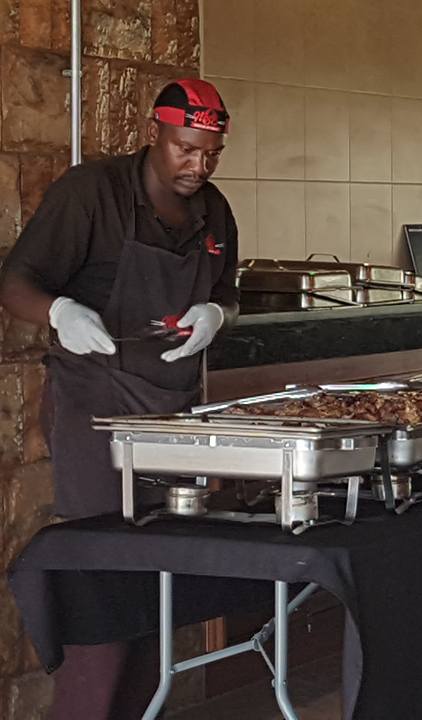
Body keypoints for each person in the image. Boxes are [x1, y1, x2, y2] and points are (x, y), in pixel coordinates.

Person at [0, 78, 239, 719]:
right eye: (186, 149)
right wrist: (60, 311)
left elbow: (228, 288)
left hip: (171, 409)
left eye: (212, 153)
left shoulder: (214, 210)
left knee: (158, 581)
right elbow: (16, 280)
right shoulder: (92, 193)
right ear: (154, 133)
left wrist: (218, 312)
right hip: (95, 407)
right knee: (106, 576)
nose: (199, 166)